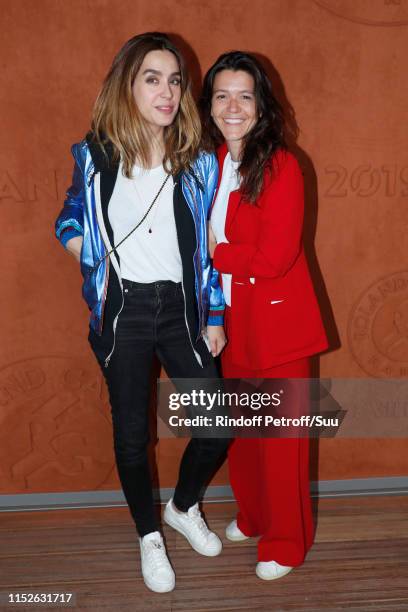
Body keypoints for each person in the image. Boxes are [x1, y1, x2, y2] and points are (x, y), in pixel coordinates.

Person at [55, 32, 229, 594]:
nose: (168, 91)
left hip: (180, 309)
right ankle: (149, 536)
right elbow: (69, 217)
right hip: (124, 309)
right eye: (152, 78)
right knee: (132, 436)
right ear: (127, 85)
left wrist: (215, 315)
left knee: (218, 423)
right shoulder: (97, 155)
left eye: (175, 80)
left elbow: (206, 246)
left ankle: (182, 506)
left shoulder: (198, 161)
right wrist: (88, 255)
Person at [200, 51, 328, 580]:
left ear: (261, 105)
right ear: (208, 105)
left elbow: (276, 258)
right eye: (222, 95)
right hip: (230, 323)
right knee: (247, 436)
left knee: (281, 444)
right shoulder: (212, 163)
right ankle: (253, 517)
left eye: (244, 96)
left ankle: (288, 542)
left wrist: (215, 250)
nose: (233, 107)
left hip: (279, 327)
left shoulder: (281, 164)